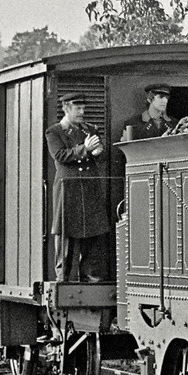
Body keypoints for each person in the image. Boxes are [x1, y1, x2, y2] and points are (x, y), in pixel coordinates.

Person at [45, 92, 112, 283]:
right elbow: (60, 155)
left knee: (93, 235)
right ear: (66, 108)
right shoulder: (54, 132)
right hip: (69, 190)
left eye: (83, 108)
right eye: (78, 108)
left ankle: (91, 278)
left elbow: (101, 155)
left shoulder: (90, 129)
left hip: (90, 188)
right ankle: (63, 278)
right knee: (67, 236)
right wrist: (85, 149)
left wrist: (99, 152)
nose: (82, 112)